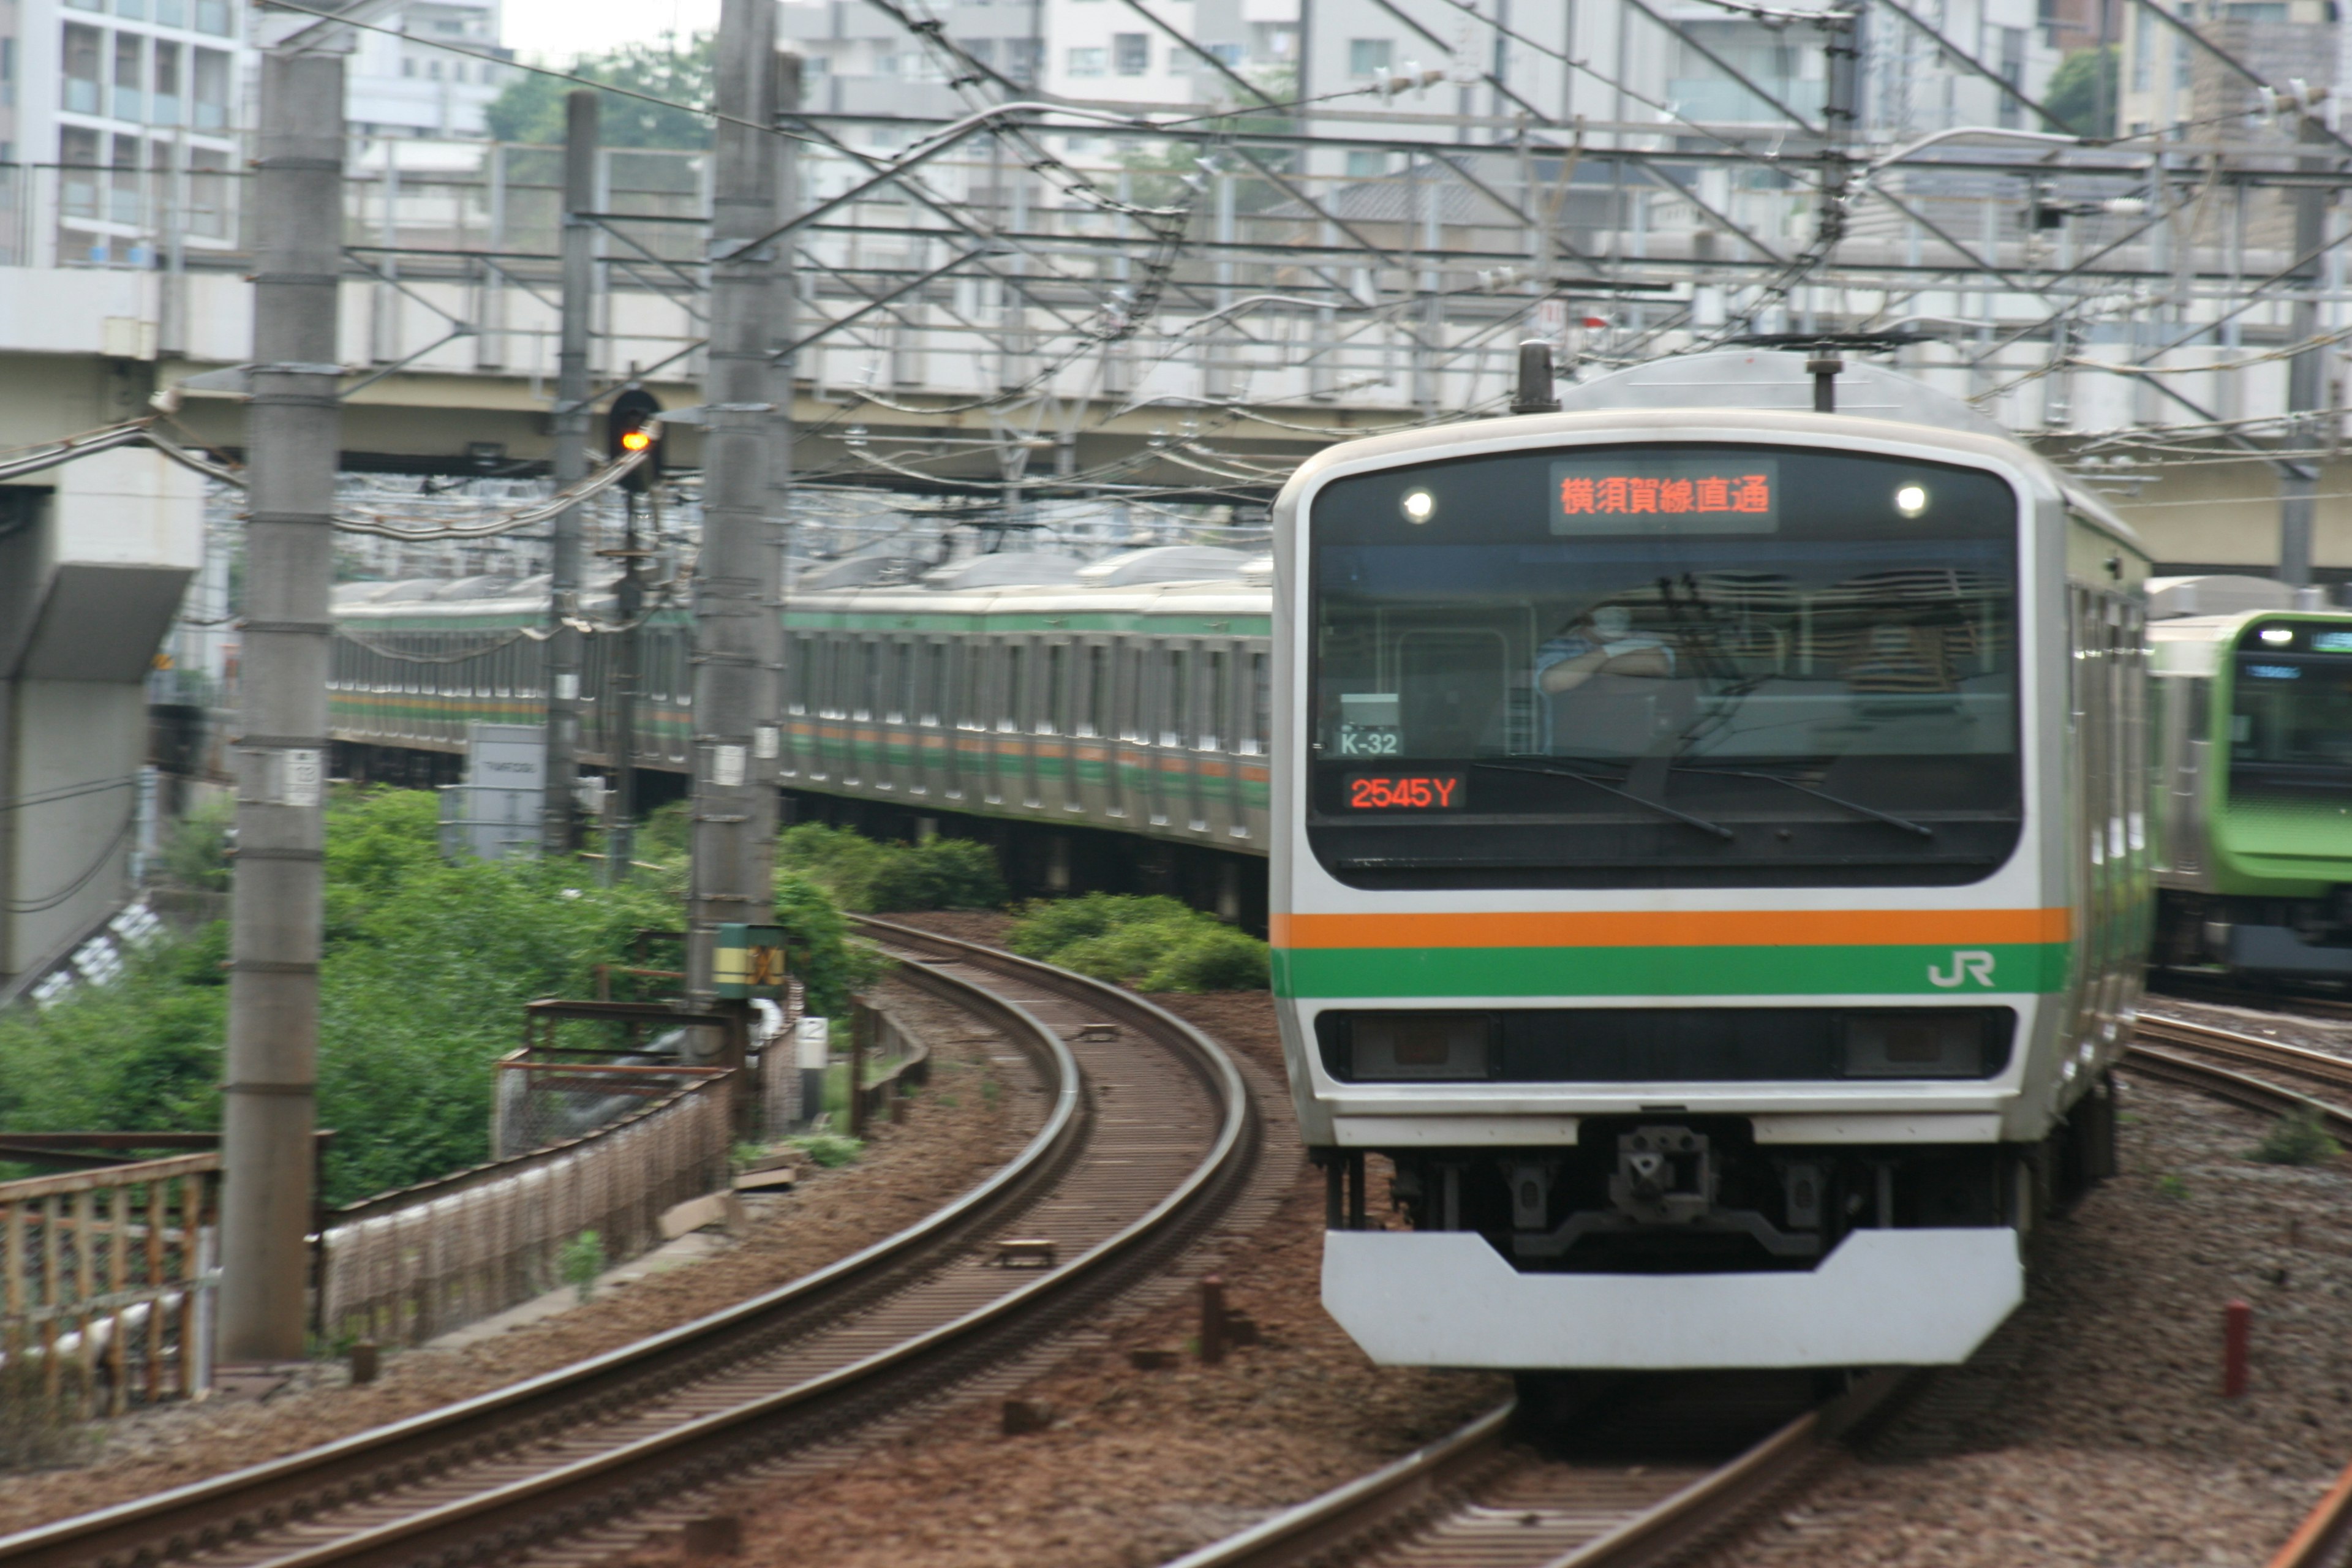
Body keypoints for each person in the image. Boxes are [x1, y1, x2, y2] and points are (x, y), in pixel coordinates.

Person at [1535, 603, 1676, 696]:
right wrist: (1610, 653)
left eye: (1620, 605)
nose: (1614, 613)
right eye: (1604, 606)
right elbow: (1552, 683)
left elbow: (1658, 665)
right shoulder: (1559, 645)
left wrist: (1582, 669)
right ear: (1582, 612)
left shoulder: (1643, 637)